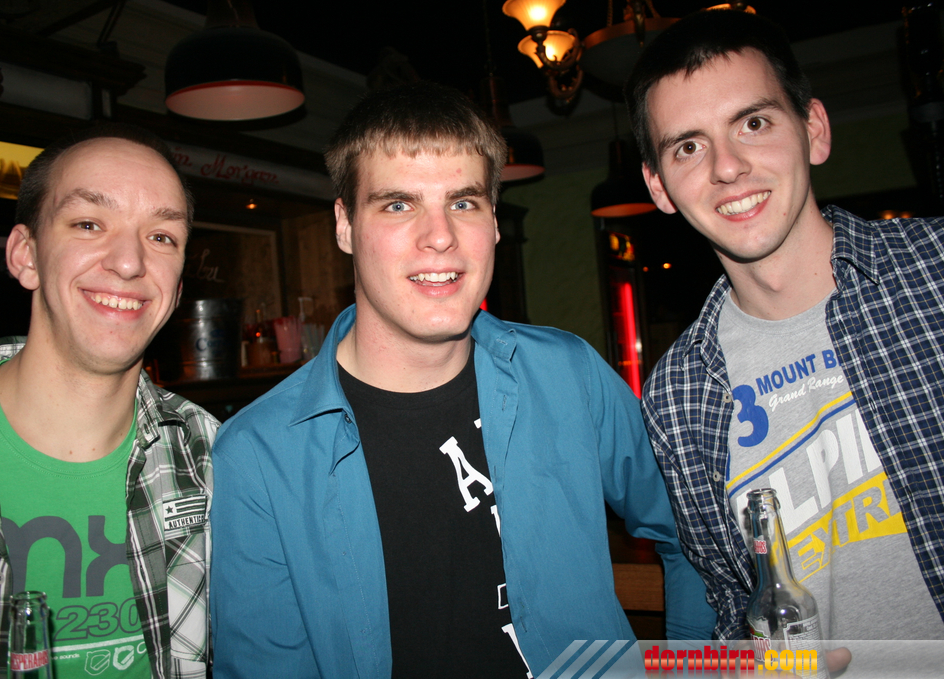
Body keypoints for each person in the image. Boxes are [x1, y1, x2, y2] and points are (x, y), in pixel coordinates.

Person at [210, 81, 714, 679]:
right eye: (398, 205)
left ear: (494, 221)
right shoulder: (259, 453)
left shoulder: (567, 374)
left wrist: (694, 663)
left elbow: (695, 530)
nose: (440, 236)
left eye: (464, 202)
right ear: (344, 225)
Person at [627, 8, 944, 644]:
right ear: (659, 187)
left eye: (753, 123)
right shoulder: (675, 395)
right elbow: (731, 609)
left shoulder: (937, 274)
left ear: (814, 130)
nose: (727, 166)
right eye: (688, 146)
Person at [0, 124, 217, 678]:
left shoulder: (213, 458)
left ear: (178, 289)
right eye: (88, 224)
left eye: (162, 237)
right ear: (26, 255)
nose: (129, 262)